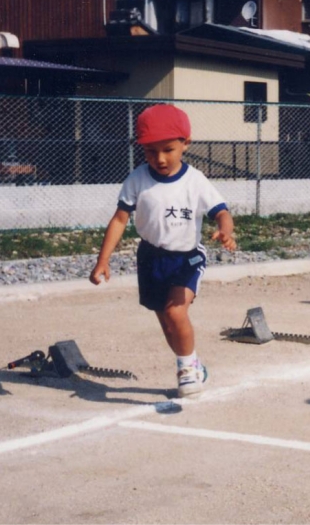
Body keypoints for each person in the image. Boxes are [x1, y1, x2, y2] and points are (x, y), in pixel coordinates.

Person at [90, 104, 236, 398]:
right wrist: (102, 260)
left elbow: (222, 212)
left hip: (187, 257)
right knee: (168, 324)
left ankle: (185, 369)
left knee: (175, 311)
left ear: (185, 143)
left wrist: (225, 230)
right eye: (150, 151)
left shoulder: (195, 181)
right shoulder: (136, 180)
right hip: (150, 258)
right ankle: (194, 364)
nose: (160, 158)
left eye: (168, 149)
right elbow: (120, 219)